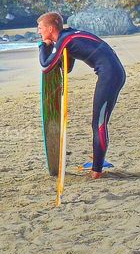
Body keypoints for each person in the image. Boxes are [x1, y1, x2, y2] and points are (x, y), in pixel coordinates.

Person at [37, 12, 126, 179]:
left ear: (50, 28)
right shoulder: (69, 36)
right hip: (113, 73)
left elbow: (46, 66)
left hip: (110, 75)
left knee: (99, 123)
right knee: (98, 122)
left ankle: (97, 171)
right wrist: (51, 47)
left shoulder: (65, 39)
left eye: (40, 28)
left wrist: (43, 45)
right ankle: (97, 166)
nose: (38, 31)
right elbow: (67, 67)